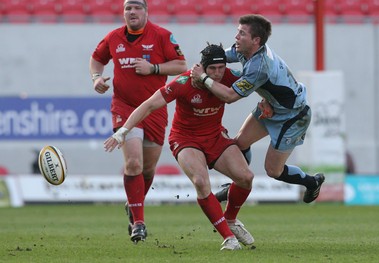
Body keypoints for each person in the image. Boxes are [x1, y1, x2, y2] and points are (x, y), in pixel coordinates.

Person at [104, 43, 254, 251]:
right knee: (201, 182)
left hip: (214, 136)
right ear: (202, 68)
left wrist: (268, 101)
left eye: (221, 68)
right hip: (185, 139)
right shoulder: (183, 82)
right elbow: (149, 105)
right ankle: (228, 238)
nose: (218, 74)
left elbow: (259, 82)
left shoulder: (229, 75)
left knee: (246, 177)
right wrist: (123, 131)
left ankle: (229, 219)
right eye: (212, 69)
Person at [191, 14, 325, 204]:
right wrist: (204, 61)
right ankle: (239, 182)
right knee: (239, 144)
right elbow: (220, 56)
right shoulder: (243, 50)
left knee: (273, 171)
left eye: (241, 34)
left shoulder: (259, 67)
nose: (236, 37)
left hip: (293, 116)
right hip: (272, 107)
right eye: (237, 32)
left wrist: (203, 78)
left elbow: (229, 97)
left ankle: (312, 182)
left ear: (256, 40)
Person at [89, 0, 187, 244]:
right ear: (123, 13)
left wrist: (153, 68)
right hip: (124, 106)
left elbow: (181, 66)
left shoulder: (162, 35)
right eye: (127, 8)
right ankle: (139, 223)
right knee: (133, 164)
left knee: (147, 170)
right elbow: (96, 59)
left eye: (136, 7)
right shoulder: (113, 37)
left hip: (154, 108)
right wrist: (96, 78)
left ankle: (132, 204)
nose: (131, 12)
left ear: (146, 11)